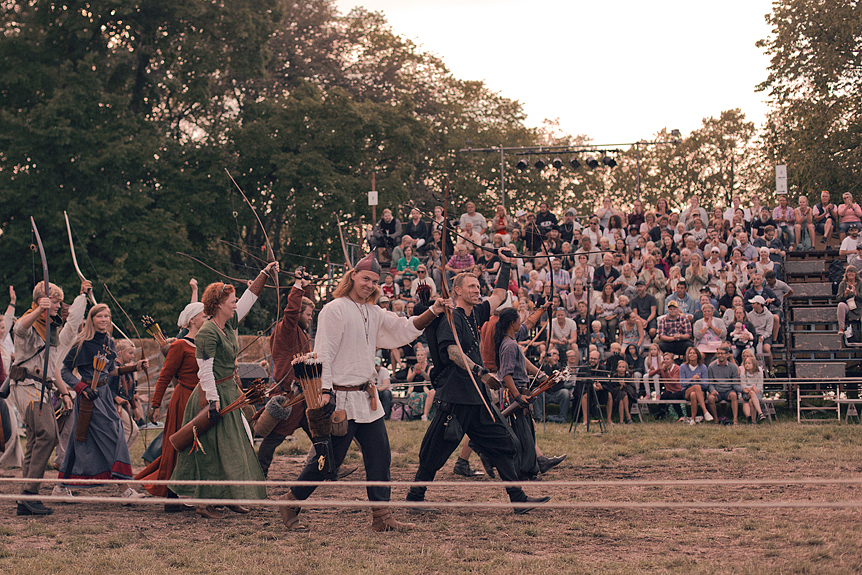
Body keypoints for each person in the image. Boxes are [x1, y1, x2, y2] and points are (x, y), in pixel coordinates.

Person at [280, 254, 446, 532]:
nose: (370, 285)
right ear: (353, 275)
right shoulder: (334, 309)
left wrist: (434, 311)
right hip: (341, 398)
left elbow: (405, 328)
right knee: (327, 462)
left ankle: (381, 518)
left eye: (375, 282)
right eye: (366, 278)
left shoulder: (374, 312)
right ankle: (291, 501)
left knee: (380, 457)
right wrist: (324, 391)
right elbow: (324, 353)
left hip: (368, 400)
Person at [406, 255, 550, 514]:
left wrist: (505, 264)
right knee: (435, 449)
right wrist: (481, 372)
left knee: (503, 444)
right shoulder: (452, 317)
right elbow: (452, 352)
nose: (477, 289)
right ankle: (415, 497)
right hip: (456, 395)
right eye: (471, 286)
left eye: (478, 286)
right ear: (457, 290)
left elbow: (500, 294)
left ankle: (517, 499)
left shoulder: (478, 312)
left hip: (476, 397)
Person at [171, 262, 277, 519]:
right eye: (231, 300)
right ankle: (203, 503)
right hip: (213, 396)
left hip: (230, 391)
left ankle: (230, 497)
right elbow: (204, 369)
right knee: (213, 450)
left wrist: (264, 274)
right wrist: (214, 402)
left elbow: (249, 300)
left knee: (237, 445)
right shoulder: (207, 332)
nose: (235, 303)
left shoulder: (226, 325)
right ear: (219, 304)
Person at [58, 304, 149, 499]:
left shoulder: (109, 341)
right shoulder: (81, 343)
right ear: (92, 319)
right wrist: (81, 388)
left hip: (104, 394)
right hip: (89, 398)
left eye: (107, 316)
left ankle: (60, 486)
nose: (104, 319)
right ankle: (125, 489)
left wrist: (135, 367)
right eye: (100, 316)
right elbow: (64, 371)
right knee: (114, 435)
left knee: (79, 441)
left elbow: (110, 371)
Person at [10, 281, 82, 515]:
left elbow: (52, 369)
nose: (60, 306)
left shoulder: (49, 329)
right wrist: (39, 309)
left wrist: (64, 392)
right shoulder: (32, 320)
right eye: (56, 302)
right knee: (48, 435)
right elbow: (19, 328)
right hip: (27, 386)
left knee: (35, 440)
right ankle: (31, 493)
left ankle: (25, 499)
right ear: (44, 301)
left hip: (43, 388)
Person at [136, 302, 205, 509]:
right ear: (192, 320)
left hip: (201, 399)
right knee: (180, 446)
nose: (207, 319)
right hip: (183, 400)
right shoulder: (179, 345)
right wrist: (155, 405)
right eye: (203, 316)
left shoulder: (205, 343)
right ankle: (173, 498)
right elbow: (164, 376)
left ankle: (196, 492)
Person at [254, 271, 316, 478]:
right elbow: (292, 311)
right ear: (298, 314)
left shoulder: (300, 332)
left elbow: (301, 308)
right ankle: (258, 473)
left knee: (320, 434)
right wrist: (298, 285)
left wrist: (307, 286)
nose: (310, 318)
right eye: (307, 314)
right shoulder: (286, 329)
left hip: (303, 397)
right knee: (273, 439)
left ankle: (330, 468)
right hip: (289, 397)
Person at [706, 345, 743, 424]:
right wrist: (712, 390)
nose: (720, 355)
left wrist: (743, 390)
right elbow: (710, 383)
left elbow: (735, 384)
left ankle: (735, 419)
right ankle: (716, 419)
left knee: (733, 395)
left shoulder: (733, 367)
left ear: (727, 355)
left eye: (722, 353)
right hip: (717, 390)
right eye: (718, 353)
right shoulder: (711, 367)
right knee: (710, 398)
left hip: (729, 390)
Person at [679, 347, 712, 424]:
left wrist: (699, 380)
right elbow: (682, 383)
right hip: (687, 390)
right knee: (696, 386)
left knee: (694, 394)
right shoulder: (683, 367)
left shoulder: (703, 367)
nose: (692, 354)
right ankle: (705, 411)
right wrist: (691, 379)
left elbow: (706, 384)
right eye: (690, 353)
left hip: (700, 392)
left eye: (694, 353)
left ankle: (693, 420)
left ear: (697, 355)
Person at [837, 265, 862, 340]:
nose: (850, 273)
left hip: (860, 308)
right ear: (846, 274)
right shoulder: (842, 284)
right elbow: (838, 298)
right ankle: (841, 328)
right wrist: (845, 294)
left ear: (855, 274)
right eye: (848, 272)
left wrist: (856, 293)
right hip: (848, 308)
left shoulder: (860, 283)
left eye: (852, 272)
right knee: (841, 305)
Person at [739, 355, 767, 423]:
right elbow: (744, 386)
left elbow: (759, 387)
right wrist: (753, 387)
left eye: (749, 363)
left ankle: (753, 421)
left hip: (757, 394)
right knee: (751, 393)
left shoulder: (759, 374)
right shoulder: (743, 375)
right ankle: (760, 413)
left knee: (751, 401)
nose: (747, 365)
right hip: (746, 394)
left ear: (754, 364)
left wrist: (752, 388)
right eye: (746, 363)